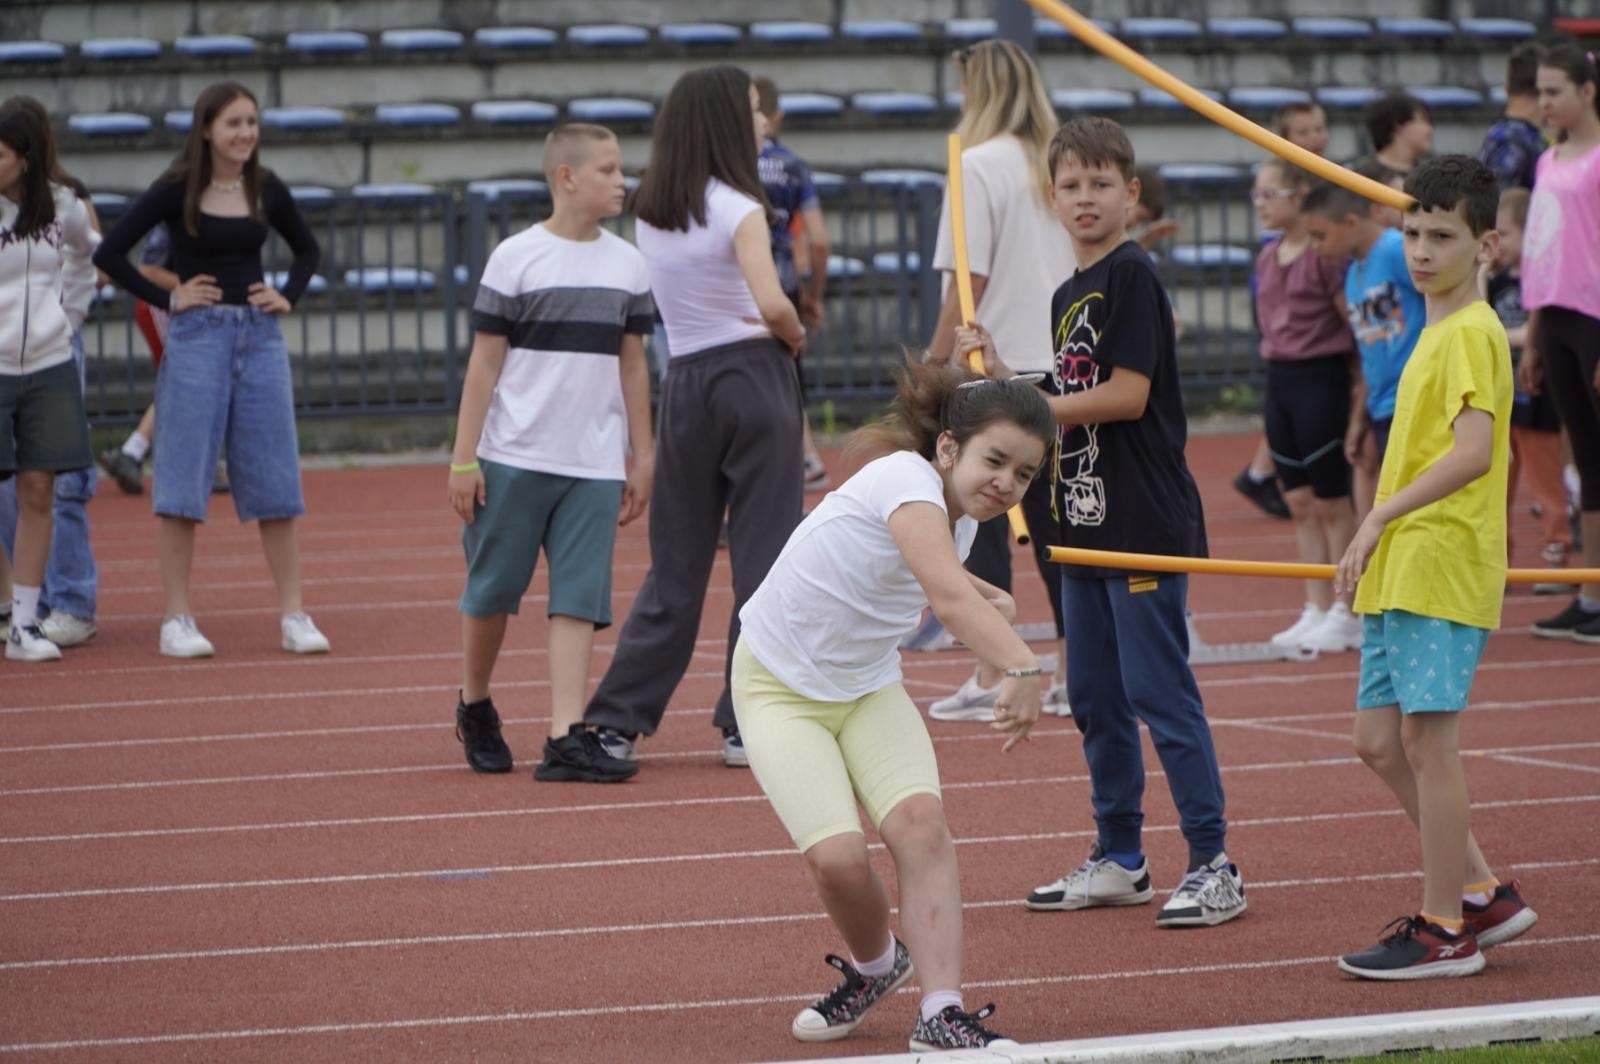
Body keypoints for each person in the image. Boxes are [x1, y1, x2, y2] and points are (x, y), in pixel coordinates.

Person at [973, 116, 1245, 929]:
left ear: (1130, 193)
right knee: (1092, 694)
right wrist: (994, 371)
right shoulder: (1068, 292)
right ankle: (1121, 857)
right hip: (1080, 521)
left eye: (1100, 184)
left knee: (1158, 691)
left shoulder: (1131, 277)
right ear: (1050, 198)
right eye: (1070, 186)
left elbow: (1124, 396)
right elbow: (1065, 396)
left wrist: (1031, 405)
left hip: (1141, 523)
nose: (1084, 198)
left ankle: (1213, 861)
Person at [734, 361, 1045, 1051]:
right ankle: (879, 966)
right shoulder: (906, 478)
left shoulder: (956, 519)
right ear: (946, 449)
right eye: (995, 460)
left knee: (921, 825)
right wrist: (1023, 663)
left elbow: (933, 572)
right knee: (840, 860)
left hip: (868, 685)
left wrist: (991, 602)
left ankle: (942, 1012)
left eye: (1023, 475)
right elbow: (945, 594)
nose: (1006, 483)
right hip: (778, 685)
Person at [1335, 155, 1538, 980]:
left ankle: (1444, 927)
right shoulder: (1433, 332)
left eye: (1441, 236)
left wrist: (1378, 515)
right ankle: (1484, 892)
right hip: (1404, 563)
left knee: (1427, 742)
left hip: (1439, 559)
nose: (1420, 250)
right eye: (1412, 232)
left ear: (1485, 244)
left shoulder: (1468, 334)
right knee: (1378, 741)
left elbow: (1476, 452)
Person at [579, 66, 806, 769]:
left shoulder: (649, 204)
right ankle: (745, 722)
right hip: (754, 375)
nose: (761, 120)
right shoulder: (740, 205)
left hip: (687, 384)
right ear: (723, 121)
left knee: (674, 565)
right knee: (764, 559)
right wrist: (795, 334)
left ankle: (616, 720)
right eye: (750, 111)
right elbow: (771, 303)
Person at [446, 124, 655, 784]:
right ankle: (475, 704)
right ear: (567, 178)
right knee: (491, 592)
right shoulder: (515, 258)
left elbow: (634, 366)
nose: (623, 180)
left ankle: (565, 735)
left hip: (592, 465)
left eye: (621, 169)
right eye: (608, 169)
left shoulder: (628, 263)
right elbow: (483, 365)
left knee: (578, 601)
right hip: (512, 456)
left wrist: (641, 455)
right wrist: (463, 458)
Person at [93, 81, 328, 659]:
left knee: (276, 479)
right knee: (182, 479)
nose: (245, 133)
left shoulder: (265, 187)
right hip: (197, 340)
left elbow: (307, 250)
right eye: (233, 124)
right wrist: (167, 296)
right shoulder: (177, 188)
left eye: (251, 122)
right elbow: (109, 253)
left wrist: (287, 296)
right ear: (206, 130)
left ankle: (294, 614)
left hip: (259, 339)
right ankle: (177, 620)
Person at [918, 38, 1075, 721]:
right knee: (1059, 530)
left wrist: (933, 362)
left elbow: (968, 278)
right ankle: (1072, 669)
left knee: (983, 516)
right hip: (1058, 362)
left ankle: (992, 671)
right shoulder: (1055, 165)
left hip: (992, 363)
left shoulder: (976, 163)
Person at [0, 95, 101, 652]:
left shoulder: (63, 206)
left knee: (40, 490)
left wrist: (71, 316)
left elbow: (90, 256)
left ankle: (24, 624)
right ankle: (8, 602)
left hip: (48, 364)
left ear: (25, 157)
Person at [1252, 162, 1362, 654]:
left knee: (1332, 500)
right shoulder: (1266, 258)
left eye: (1269, 193)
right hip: (1280, 381)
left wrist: (1358, 391)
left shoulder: (1323, 260)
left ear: (1299, 196)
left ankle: (1348, 608)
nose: (1261, 203)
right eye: (1256, 195)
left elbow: (1352, 325)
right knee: (1297, 501)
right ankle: (1315, 606)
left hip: (1321, 378)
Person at [1523, 44, 1600, 644]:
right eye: (1540, 92)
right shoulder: (1547, 160)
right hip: (1554, 318)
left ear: (1587, 92)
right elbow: (1540, 248)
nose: (1544, 102)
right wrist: (1531, 338)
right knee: (1589, 459)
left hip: (1594, 319)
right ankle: (1591, 593)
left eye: (1555, 91)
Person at [1303, 172, 1426, 519]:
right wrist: (1360, 418)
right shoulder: (1353, 274)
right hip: (1383, 408)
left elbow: (1441, 304)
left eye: (1320, 236)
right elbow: (1370, 355)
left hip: (1416, 401)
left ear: (1351, 221)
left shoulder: (1394, 250)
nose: (1315, 247)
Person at [1234, 104, 1333, 522]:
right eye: (1303, 132)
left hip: (1319, 366)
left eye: (1320, 129)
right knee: (1303, 498)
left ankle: (1260, 470)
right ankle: (1260, 471)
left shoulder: (1323, 241)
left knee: (1330, 497)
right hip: (1285, 343)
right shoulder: (1279, 196)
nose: (1315, 139)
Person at [1488, 187, 1572, 589]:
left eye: (1505, 232)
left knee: (1544, 479)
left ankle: (1556, 551)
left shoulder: (1545, 277)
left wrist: (1508, 336)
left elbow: (1533, 332)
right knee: (1495, 482)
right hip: (1500, 396)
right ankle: (1495, 560)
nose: (1497, 242)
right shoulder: (1494, 280)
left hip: (1537, 393)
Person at [753, 75, 831, 491]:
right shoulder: (792, 165)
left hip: (736, 283)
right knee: (785, 372)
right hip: (782, 281)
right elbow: (818, 241)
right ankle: (802, 458)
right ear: (777, 115)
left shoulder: (723, 165)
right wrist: (813, 298)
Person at [1480, 42, 1550, 194]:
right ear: (1543, 90)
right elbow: (1500, 206)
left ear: (1507, 89)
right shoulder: (1511, 140)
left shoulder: (1512, 133)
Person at [1354, 92, 1434, 176]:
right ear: (1398, 124)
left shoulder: (1431, 175)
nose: (1429, 129)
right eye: (1422, 120)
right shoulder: (1358, 175)